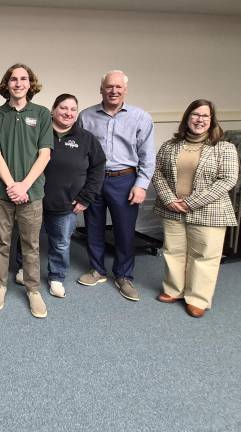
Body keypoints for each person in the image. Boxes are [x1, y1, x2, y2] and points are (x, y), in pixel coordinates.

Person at [13, 94, 106, 297]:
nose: (68, 113)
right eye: (63, 108)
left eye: (73, 109)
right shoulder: (37, 133)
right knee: (27, 237)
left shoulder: (86, 139)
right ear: (53, 110)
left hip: (67, 203)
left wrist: (85, 198)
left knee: (61, 242)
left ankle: (56, 276)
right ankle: (24, 269)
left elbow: (98, 169)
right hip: (33, 199)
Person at [152, 99, 238, 318]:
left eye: (205, 116)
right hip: (172, 207)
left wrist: (191, 203)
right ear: (187, 117)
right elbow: (157, 172)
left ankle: (197, 298)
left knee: (204, 255)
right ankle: (174, 289)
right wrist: (169, 198)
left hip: (209, 210)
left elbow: (227, 179)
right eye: (195, 114)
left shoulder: (224, 147)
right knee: (174, 251)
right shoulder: (170, 145)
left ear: (212, 120)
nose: (199, 119)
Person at [77, 70, 155, 302]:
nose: (114, 91)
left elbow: (147, 156)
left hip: (125, 179)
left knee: (124, 230)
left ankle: (124, 276)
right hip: (94, 179)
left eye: (118, 87)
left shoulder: (141, 117)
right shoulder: (86, 116)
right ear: (101, 89)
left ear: (125, 90)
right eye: (109, 86)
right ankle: (97, 270)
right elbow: (80, 152)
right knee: (93, 226)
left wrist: (141, 186)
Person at [0, 64, 53, 318]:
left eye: (23, 79)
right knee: (2, 242)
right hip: (3, 194)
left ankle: (33, 290)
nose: (18, 83)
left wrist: (24, 186)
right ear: (7, 84)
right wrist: (12, 186)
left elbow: (44, 154)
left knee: (31, 244)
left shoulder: (42, 113)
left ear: (30, 83)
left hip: (32, 193)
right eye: (13, 79)